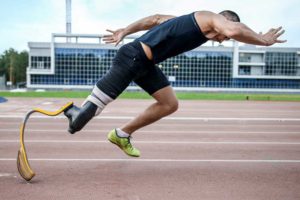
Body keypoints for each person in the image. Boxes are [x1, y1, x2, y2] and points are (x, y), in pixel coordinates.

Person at [64, 10, 286, 157]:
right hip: (132, 57)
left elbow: (155, 19)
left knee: (169, 104)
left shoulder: (191, 23)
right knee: (82, 118)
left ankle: (122, 134)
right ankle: (66, 111)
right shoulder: (212, 18)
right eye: (224, 36)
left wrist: (125, 30)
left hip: (145, 64)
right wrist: (262, 40)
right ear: (224, 20)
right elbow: (233, 29)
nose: (224, 39)